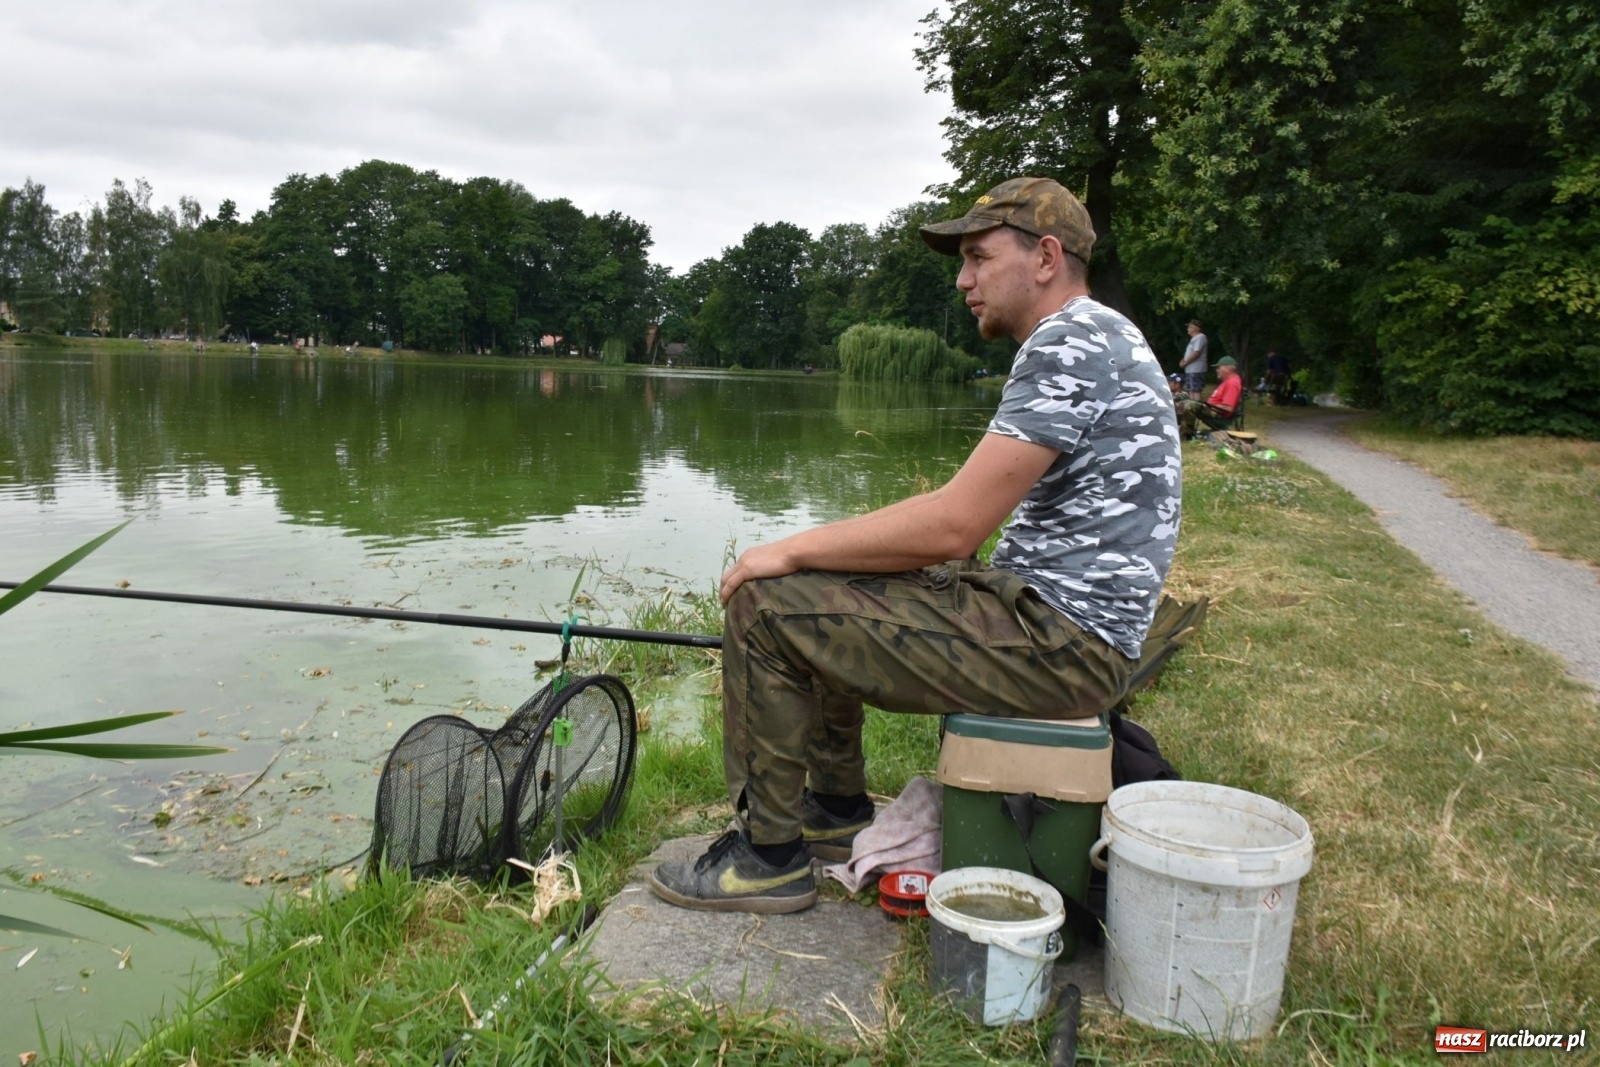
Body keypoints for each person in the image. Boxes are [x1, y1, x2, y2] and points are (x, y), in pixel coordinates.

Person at [649, 177, 1183, 915]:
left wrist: (789, 549)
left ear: (1046, 257)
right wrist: (828, 552)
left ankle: (766, 858)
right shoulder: (1097, 334)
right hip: (1059, 628)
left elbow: (956, 524)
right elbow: (963, 523)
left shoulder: (1072, 341)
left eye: (977, 257)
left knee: (767, 606)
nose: (964, 280)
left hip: (1064, 647)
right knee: (843, 570)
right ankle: (833, 809)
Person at [1177, 355, 1243, 438]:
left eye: (1219, 367)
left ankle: (1186, 434)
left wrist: (1207, 405)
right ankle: (1179, 429)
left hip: (1218, 414)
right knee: (1182, 400)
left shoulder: (1232, 383)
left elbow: (1228, 408)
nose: (1217, 370)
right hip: (1213, 410)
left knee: (1188, 405)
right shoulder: (1229, 381)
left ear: (1228, 368)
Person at [1179, 320, 1209, 394]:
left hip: (1196, 369)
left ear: (1195, 328)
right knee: (1191, 390)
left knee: (1196, 391)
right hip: (1191, 369)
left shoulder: (1200, 337)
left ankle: (1197, 405)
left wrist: (1186, 362)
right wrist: (1183, 360)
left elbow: (1196, 352)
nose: (1188, 329)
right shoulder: (1194, 339)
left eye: (1189, 327)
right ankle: (1192, 405)